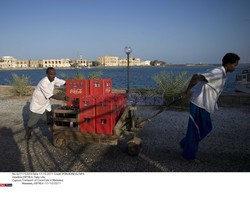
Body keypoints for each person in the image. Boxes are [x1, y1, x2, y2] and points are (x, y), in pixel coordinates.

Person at [179, 53, 240, 160]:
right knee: (197, 129)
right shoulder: (218, 72)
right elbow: (195, 77)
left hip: (204, 105)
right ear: (228, 64)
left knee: (206, 128)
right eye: (235, 65)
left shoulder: (221, 72)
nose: (236, 67)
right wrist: (186, 92)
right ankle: (188, 156)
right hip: (199, 104)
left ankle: (186, 143)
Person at [24, 67, 71, 140]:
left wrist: (73, 83)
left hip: (46, 105)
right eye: (51, 74)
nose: (53, 76)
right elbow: (51, 96)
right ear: (47, 74)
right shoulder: (43, 83)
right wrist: (64, 98)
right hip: (37, 106)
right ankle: (28, 133)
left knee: (50, 120)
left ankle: (55, 135)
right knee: (32, 123)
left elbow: (63, 82)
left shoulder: (53, 79)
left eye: (54, 74)